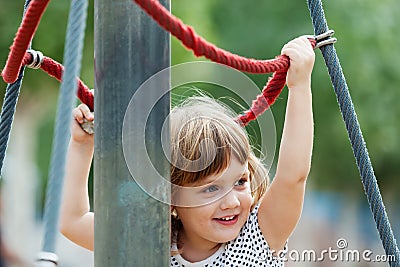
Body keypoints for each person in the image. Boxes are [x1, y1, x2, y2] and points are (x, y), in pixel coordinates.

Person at [60, 36, 315, 266]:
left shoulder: (259, 234)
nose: (231, 202)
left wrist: (299, 85)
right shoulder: (153, 239)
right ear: (171, 194)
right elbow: (72, 221)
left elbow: (293, 178)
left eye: (240, 182)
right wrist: (82, 146)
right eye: (211, 189)